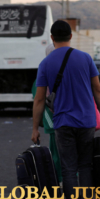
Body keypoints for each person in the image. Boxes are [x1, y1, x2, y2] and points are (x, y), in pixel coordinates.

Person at [31, 20, 100, 199]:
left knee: (68, 168)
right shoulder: (85, 58)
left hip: (63, 123)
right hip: (86, 122)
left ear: (51, 38)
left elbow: (39, 100)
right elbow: (98, 91)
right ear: (71, 36)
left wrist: (34, 128)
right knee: (85, 166)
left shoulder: (46, 63)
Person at [31, 43, 62, 183]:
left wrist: (35, 128)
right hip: (70, 119)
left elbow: (37, 100)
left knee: (56, 150)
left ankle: (59, 179)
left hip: (52, 119)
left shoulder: (42, 74)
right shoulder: (68, 72)